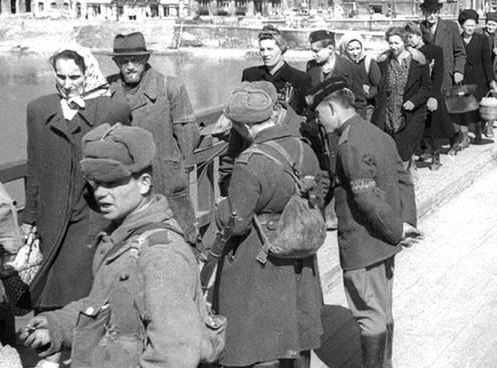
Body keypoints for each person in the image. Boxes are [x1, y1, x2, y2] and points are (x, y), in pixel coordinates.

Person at [20, 124, 204, 368]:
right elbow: (108, 304)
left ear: (144, 183)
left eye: (112, 183)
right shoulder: (121, 235)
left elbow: (175, 355)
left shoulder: (161, 254)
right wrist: (57, 326)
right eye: (95, 184)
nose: (100, 194)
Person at [207, 82, 325, 368]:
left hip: (261, 256)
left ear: (245, 128)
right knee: (296, 330)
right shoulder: (303, 148)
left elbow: (236, 222)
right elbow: (318, 196)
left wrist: (222, 208)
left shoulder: (249, 161)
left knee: (258, 338)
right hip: (299, 249)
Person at [313, 79, 422, 368]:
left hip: (362, 246)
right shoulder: (378, 135)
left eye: (319, 114)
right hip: (384, 246)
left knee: (369, 316)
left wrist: (396, 230)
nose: (319, 121)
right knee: (383, 311)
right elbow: (403, 180)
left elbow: (366, 200)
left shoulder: (349, 145)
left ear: (333, 109)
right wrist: (404, 224)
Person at [24, 46, 131, 313]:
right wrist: (29, 218)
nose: (67, 85)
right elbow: (34, 166)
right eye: (61, 77)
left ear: (88, 72)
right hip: (52, 214)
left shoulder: (112, 109)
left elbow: (126, 161)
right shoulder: (39, 110)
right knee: (51, 286)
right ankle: (56, 344)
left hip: (91, 213)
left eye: (74, 77)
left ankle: (75, 344)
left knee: (81, 284)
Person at [106, 32, 200, 244]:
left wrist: (176, 172)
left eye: (136, 60)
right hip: (126, 187)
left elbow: (188, 139)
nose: (130, 66)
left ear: (146, 60)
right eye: (124, 61)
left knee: (181, 243)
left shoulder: (170, 87)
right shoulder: (107, 91)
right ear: (116, 62)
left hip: (166, 186)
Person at [372, 26, 433, 164]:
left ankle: (408, 178)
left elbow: (426, 87)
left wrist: (414, 101)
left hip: (410, 113)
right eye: (391, 43)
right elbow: (378, 84)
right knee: (389, 149)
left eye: (397, 43)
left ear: (405, 43)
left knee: (405, 149)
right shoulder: (383, 62)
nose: (393, 47)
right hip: (388, 112)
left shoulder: (418, 62)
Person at [405, 24, 454, 168]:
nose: (408, 40)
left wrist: (433, 96)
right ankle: (424, 151)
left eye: (411, 36)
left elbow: (438, 75)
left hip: (431, 92)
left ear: (420, 36)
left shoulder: (434, 50)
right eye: (406, 37)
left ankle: (436, 156)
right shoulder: (409, 52)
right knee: (418, 126)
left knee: (432, 127)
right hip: (416, 94)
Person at [241, 27, 311, 117]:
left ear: (281, 49)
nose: (265, 54)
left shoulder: (300, 79)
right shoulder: (250, 75)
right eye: (262, 50)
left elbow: (308, 114)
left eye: (270, 49)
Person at [451, 10, 496, 145]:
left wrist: (491, 80)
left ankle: (478, 131)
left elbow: (487, 62)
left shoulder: (482, 40)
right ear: (461, 26)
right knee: (463, 108)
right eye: (467, 25)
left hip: (479, 79)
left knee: (477, 108)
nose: (470, 28)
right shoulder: (457, 40)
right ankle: (464, 136)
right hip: (463, 79)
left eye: (473, 25)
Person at [305, 29, 368, 115]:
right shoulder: (311, 66)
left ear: (330, 49)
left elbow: (360, 103)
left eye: (316, 51)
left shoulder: (351, 69)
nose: (313, 54)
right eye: (312, 50)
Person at [339, 33, 382, 120]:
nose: (355, 53)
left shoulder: (369, 63)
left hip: (366, 108)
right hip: (344, 109)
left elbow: (378, 85)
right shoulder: (340, 65)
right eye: (351, 49)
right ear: (344, 49)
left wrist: (366, 94)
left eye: (358, 48)